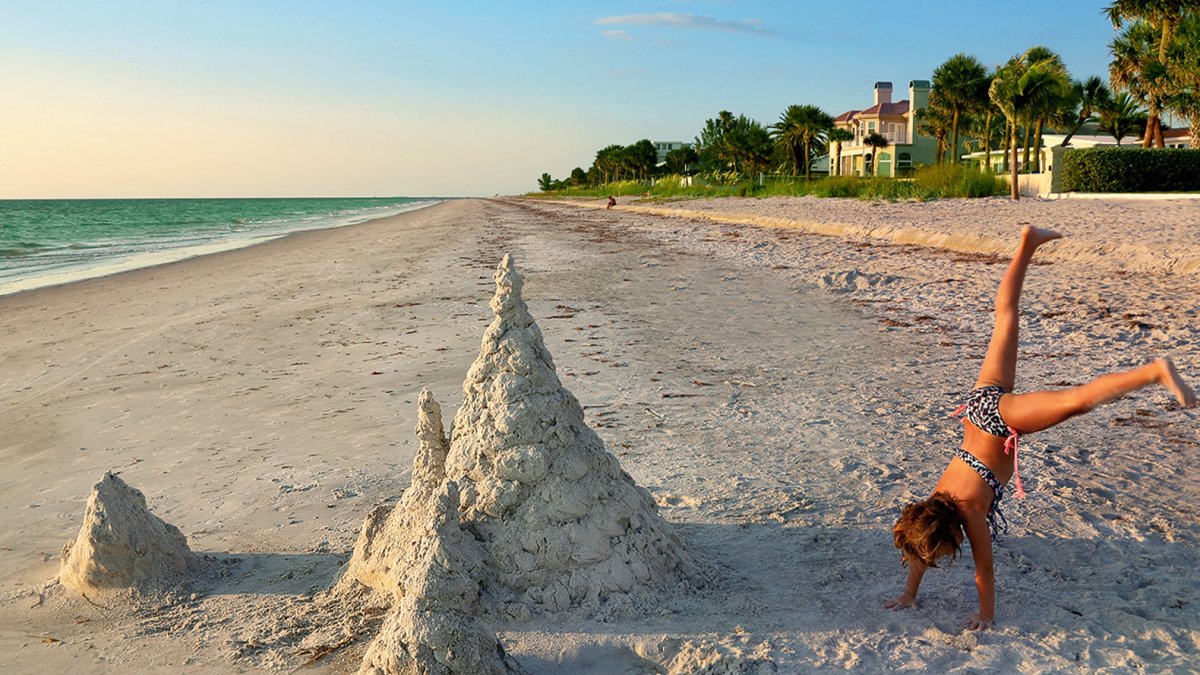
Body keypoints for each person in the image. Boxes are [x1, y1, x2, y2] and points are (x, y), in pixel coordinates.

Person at [885, 225, 1196, 631]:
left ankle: (1155, 371)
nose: (945, 558)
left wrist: (985, 614)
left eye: (944, 553)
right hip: (977, 408)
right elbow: (918, 548)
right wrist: (909, 594)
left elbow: (984, 570)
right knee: (1005, 318)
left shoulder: (970, 512)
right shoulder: (936, 504)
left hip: (998, 420)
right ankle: (1027, 242)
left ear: (950, 533)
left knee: (1077, 401)